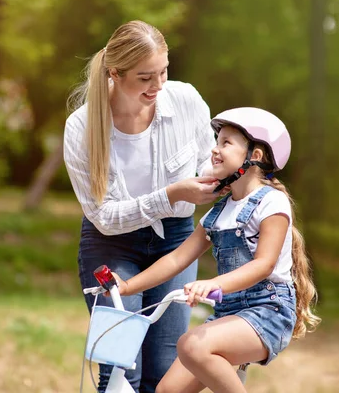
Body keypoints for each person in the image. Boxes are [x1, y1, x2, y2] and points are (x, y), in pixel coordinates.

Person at [113, 107, 321, 393]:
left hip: (268, 310)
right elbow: (176, 259)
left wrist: (212, 284)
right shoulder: (217, 214)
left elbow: (263, 265)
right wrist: (126, 286)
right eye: (216, 141)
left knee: (191, 345)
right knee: (167, 390)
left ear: (255, 156)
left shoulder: (271, 202)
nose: (215, 149)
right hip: (229, 314)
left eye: (226, 142)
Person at [63, 20, 219, 392]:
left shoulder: (186, 101)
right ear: (114, 74)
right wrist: (172, 194)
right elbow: (103, 217)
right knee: (120, 366)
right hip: (110, 245)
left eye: (164, 71)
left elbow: (208, 164)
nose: (159, 86)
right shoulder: (81, 128)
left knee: (164, 371)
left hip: (177, 242)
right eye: (145, 77)